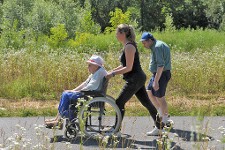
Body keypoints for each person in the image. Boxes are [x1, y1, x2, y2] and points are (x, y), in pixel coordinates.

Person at [106, 24, 162, 135]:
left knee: (119, 102)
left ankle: (116, 130)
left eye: (117, 33)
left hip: (135, 79)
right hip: (136, 78)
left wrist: (113, 74)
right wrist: (111, 71)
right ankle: (160, 128)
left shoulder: (129, 47)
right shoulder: (127, 45)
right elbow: (124, 64)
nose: (116, 35)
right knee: (147, 103)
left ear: (124, 34)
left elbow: (128, 68)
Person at [45, 55, 107, 129]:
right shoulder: (97, 72)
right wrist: (73, 90)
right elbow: (85, 83)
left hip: (91, 96)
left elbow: (90, 86)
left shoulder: (99, 73)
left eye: (90, 65)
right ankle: (57, 119)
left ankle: (59, 120)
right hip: (91, 94)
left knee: (66, 95)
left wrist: (77, 91)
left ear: (96, 66)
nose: (88, 67)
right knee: (65, 93)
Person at [140, 32, 172, 135]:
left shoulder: (157, 47)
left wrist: (156, 81)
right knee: (149, 91)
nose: (143, 45)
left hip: (161, 74)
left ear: (150, 40)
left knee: (160, 98)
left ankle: (162, 122)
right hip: (158, 74)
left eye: (144, 42)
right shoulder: (157, 45)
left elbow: (161, 65)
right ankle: (163, 115)